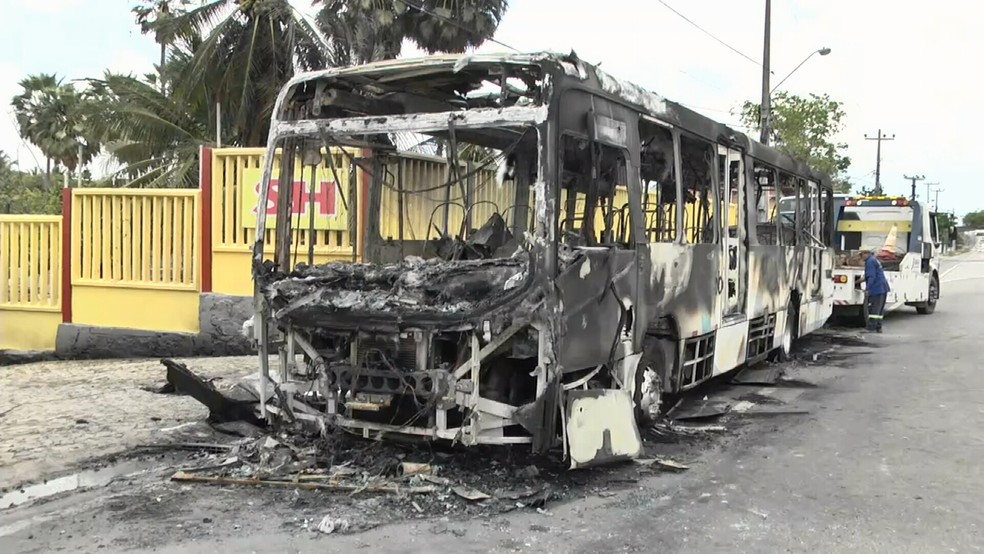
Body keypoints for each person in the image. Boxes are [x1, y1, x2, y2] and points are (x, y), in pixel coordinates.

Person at [860, 248, 891, 332]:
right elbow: (870, 276)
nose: (860, 257)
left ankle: (871, 327)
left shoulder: (869, 262)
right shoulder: (874, 260)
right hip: (883, 288)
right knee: (879, 310)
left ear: (866, 253)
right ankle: (878, 327)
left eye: (861, 254)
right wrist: (858, 281)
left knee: (874, 309)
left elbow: (871, 277)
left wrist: (867, 289)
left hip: (876, 288)